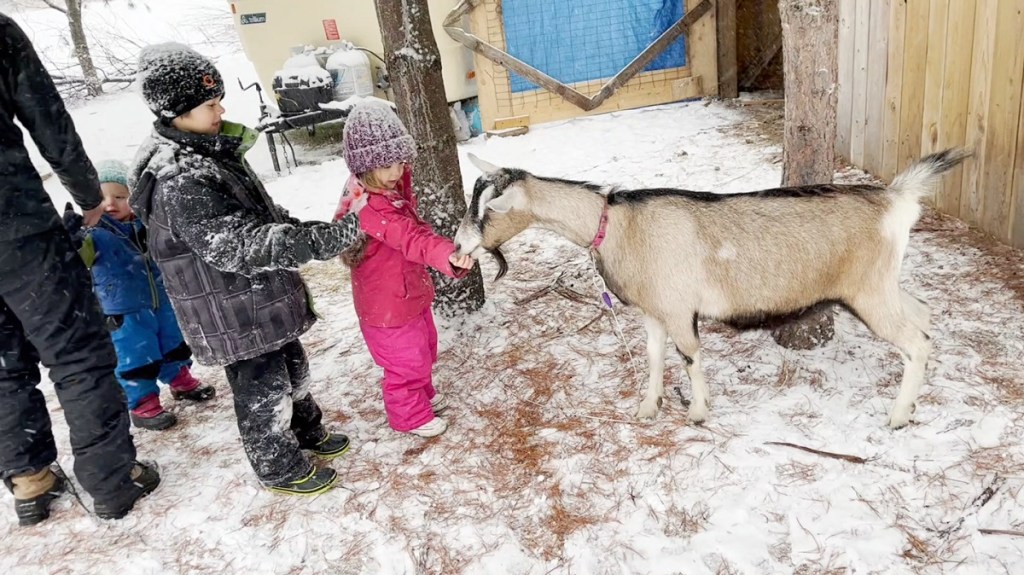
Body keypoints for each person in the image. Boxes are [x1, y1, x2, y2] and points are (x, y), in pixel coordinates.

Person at [128, 43, 365, 495]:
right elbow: (237, 244)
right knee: (264, 391)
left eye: (218, 100)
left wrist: (306, 229)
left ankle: (306, 431)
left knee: (293, 368)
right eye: (209, 104)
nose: (220, 110)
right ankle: (277, 466)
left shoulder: (212, 152)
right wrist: (319, 240)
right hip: (229, 311)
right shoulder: (181, 178)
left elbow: (263, 216)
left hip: (255, 298)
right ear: (174, 111)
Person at [0, 13, 159, 526]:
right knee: (78, 354)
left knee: (3, 367)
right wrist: (87, 195)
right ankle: (111, 480)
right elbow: (48, 120)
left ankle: (30, 481)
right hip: (17, 228)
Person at [333, 102, 474, 438]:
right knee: (405, 363)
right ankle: (409, 417)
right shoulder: (372, 210)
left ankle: (420, 398)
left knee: (423, 350)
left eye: (400, 161)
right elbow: (412, 238)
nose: (397, 170)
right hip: (388, 308)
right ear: (366, 166)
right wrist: (448, 255)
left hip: (406, 297)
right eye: (387, 164)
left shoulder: (388, 193)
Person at [70, 160, 216, 431]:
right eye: (101, 198)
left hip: (160, 300)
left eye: (120, 196)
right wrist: (71, 240)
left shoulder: (147, 224)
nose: (110, 204)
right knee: (135, 354)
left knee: (171, 340)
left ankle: (179, 379)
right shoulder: (93, 234)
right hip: (123, 310)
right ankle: (143, 403)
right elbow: (78, 261)